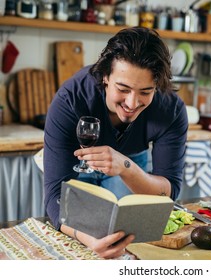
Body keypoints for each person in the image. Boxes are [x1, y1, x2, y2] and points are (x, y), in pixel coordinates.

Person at [43, 27, 188, 259]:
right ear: (105, 77)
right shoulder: (70, 99)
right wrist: (89, 239)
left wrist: (125, 167)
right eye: (123, 89)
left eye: (145, 92)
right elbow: (54, 196)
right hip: (77, 164)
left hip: (131, 163)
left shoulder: (171, 110)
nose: (132, 102)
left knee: (127, 240)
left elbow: (169, 191)